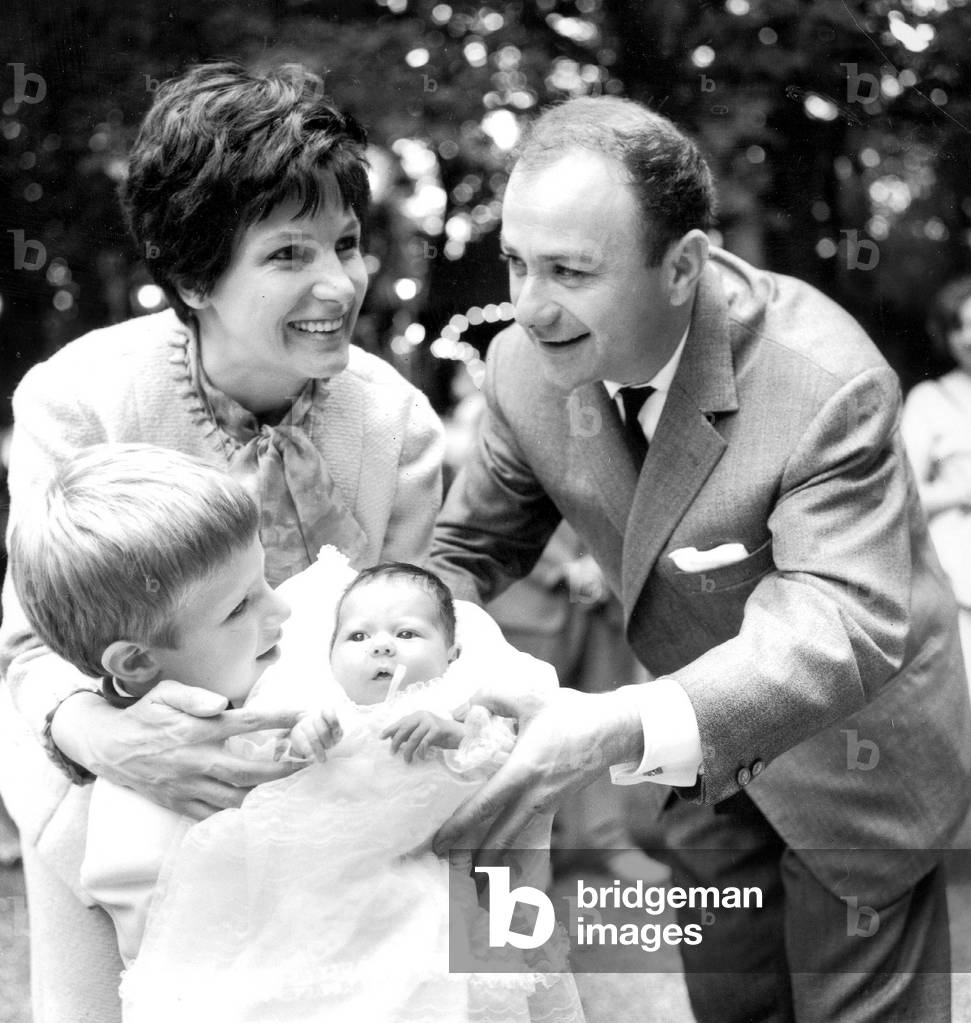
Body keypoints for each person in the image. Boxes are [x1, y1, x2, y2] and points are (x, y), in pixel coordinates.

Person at [429, 95, 971, 1022]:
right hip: (705, 771)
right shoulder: (521, 365)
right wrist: (383, 649)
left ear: (682, 266)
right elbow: (467, 547)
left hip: (856, 752)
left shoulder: (819, 379)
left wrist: (614, 724)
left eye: (568, 270)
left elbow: (836, 620)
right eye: (515, 263)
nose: (527, 306)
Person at [0, 61, 443, 1022]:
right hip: (108, 796)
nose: (340, 282)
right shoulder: (79, 399)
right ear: (196, 275)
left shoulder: (398, 428)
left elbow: (412, 639)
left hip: (326, 803)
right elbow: (31, 648)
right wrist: (107, 740)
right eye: (289, 254)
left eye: (348, 243)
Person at [10, 445, 580, 1022]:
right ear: (135, 663)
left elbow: (490, 688)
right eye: (239, 607)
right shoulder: (137, 813)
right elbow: (175, 971)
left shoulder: (295, 649)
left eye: (265, 579)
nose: (280, 607)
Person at [901, 275, 971, 664]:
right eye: (957, 326)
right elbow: (900, 496)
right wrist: (960, 492)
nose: (968, 337)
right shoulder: (930, 401)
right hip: (957, 581)